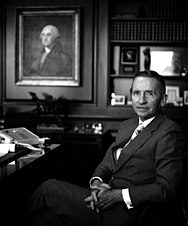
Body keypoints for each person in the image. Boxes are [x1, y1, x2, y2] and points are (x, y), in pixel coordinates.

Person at [23, 70, 186, 226]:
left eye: (149, 93)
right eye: (136, 93)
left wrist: (117, 196)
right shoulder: (127, 125)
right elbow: (107, 164)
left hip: (128, 212)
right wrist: (96, 184)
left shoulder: (169, 132)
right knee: (43, 219)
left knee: (49, 188)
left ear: (163, 100)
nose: (141, 100)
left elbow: (167, 188)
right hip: (104, 199)